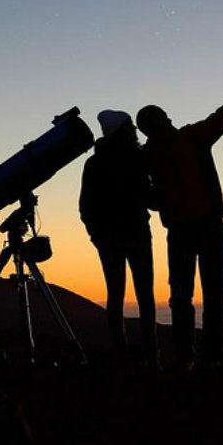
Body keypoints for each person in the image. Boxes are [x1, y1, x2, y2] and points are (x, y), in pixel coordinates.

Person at [136, 65, 223, 369]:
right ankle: (202, 357)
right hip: (196, 229)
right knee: (202, 296)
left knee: (193, 296)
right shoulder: (179, 143)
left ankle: (194, 357)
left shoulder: (171, 147)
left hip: (192, 230)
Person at [79, 110, 158, 367]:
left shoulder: (94, 164)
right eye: (130, 127)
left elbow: (86, 208)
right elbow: (150, 199)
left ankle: (120, 353)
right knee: (145, 296)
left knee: (115, 295)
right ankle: (151, 355)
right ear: (121, 131)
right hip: (136, 236)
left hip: (109, 241)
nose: (135, 131)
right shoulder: (137, 159)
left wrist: (97, 237)